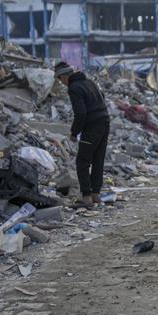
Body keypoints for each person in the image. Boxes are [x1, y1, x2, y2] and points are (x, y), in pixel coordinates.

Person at [54, 61, 109, 206]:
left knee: (82, 162)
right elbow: (102, 97)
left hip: (92, 126)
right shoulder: (89, 82)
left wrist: (74, 132)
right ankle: (96, 194)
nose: (61, 83)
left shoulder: (74, 87)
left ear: (64, 76)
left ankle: (86, 198)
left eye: (60, 79)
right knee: (98, 159)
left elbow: (81, 114)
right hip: (105, 121)